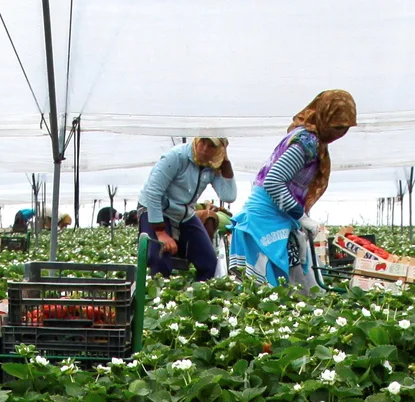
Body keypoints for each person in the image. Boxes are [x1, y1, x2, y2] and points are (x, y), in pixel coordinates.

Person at [233, 90, 358, 289]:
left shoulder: (310, 138)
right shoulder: (306, 142)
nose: (340, 134)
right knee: (270, 293)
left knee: (296, 288)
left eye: (346, 128)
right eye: (337, 127)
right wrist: (301, 217)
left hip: (278, 218)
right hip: (264, 223)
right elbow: (273, 181)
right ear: (324, 118)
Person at [136, 137, 234, 281]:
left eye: (212, 146)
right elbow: (153, 193)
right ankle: (157, 298)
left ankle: (193, 299)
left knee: (209, 264)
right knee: (160, 260)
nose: (205, 149)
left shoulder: (213, 164)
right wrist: (161, 233)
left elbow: (228, 195)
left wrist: (225, 163)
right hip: (156, 209)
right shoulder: (177, 156)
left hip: (184, 214)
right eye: (203, 142)